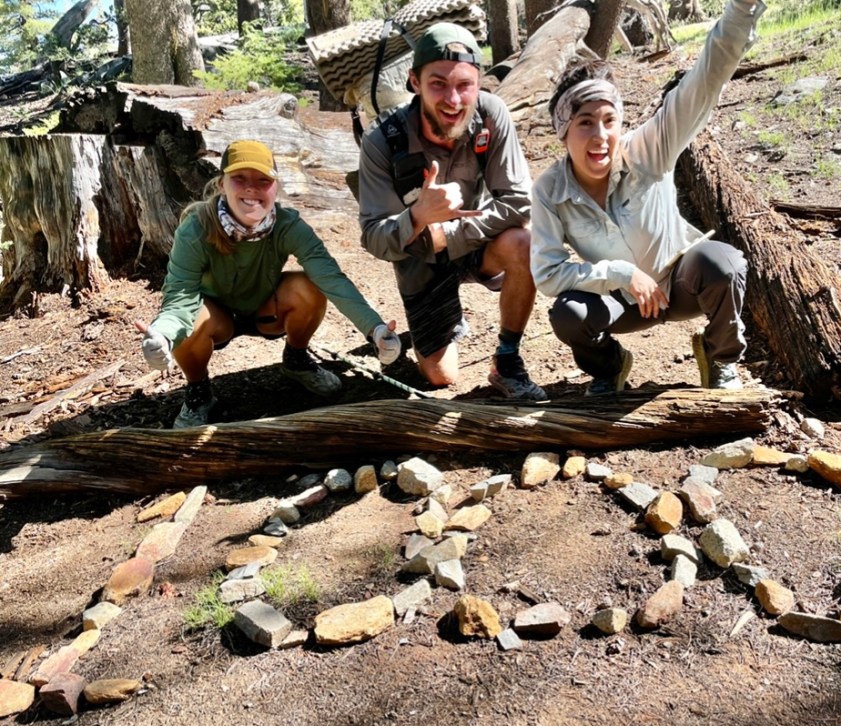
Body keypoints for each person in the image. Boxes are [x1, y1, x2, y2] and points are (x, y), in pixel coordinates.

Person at [530, 0, 766, 396]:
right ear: (563, 131)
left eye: (609, 121)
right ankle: (610, 366)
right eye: (585, 123)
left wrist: (741, 11)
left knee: (724, 263)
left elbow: (704, 81)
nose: (600, 136)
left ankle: (720, 358)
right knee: (569, 314)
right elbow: (549, 274)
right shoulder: (550, 190)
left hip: (680, 285)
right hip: (620, 302)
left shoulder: (647, 151)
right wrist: (620, 274)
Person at [136, 139, 401, 429]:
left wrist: (374, 329)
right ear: (222, 184)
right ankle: (198, 391)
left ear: (275, 187)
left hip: (266, 309)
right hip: (216, 317)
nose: (251, 188)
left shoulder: (287, 225)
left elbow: (330, 278)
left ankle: (296, 359)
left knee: (308, 286)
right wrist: (163, 335)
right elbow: (180, 295)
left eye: (263, 180)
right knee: (189, 319)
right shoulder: (196, 228)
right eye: (239, 178)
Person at [357, 22, 546, 401]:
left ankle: (507, 361)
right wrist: (418, 217)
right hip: (418, 258)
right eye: (438, 84)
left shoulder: (491, 117)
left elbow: (521, 201)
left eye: (465, 85)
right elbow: (373, 237)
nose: (454, 99)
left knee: (523, 243)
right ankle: (446, 320)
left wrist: (451, 236)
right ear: (414, 82)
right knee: (441, 376)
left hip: (475, 240)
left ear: (479, 82)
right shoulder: (382, 141)